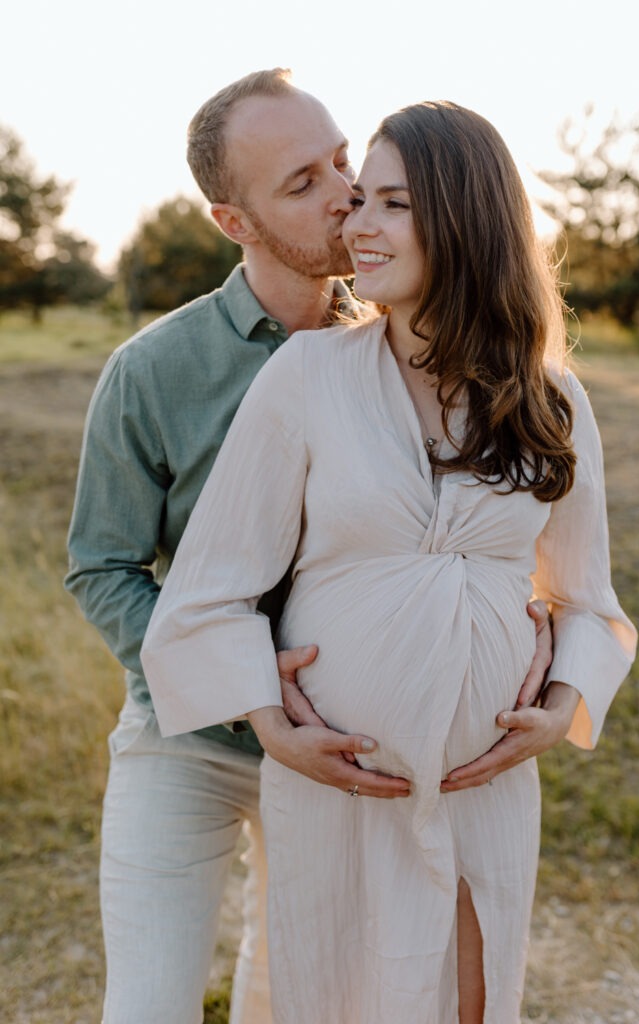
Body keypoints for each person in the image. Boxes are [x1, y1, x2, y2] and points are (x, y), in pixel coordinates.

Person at [66, 70, 551, 1024]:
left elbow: (472, 531)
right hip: (192, 738)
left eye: (341, 161)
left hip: (361, 745)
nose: (342, 193)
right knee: (150, 1003)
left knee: (292, 990)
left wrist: (526, 632)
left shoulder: (409, 345)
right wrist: (249, 698)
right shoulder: (154, 371)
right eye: (302, 183)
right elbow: (103, 565)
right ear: (232, 221)